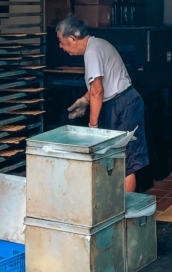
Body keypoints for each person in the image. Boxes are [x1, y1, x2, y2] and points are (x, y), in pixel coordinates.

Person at [56, 14, 150, 192]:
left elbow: (98, 90)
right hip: (122, 103)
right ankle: (115, 206)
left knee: (124, 161)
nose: (61, 47)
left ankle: (122, 211)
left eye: (61, 41)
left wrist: (93, 126)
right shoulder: (98, 44)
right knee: (117, 158)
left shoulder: (92, 52)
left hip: (123, 105)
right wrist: (85, 99)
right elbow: (98, 84)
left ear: (72, 38)